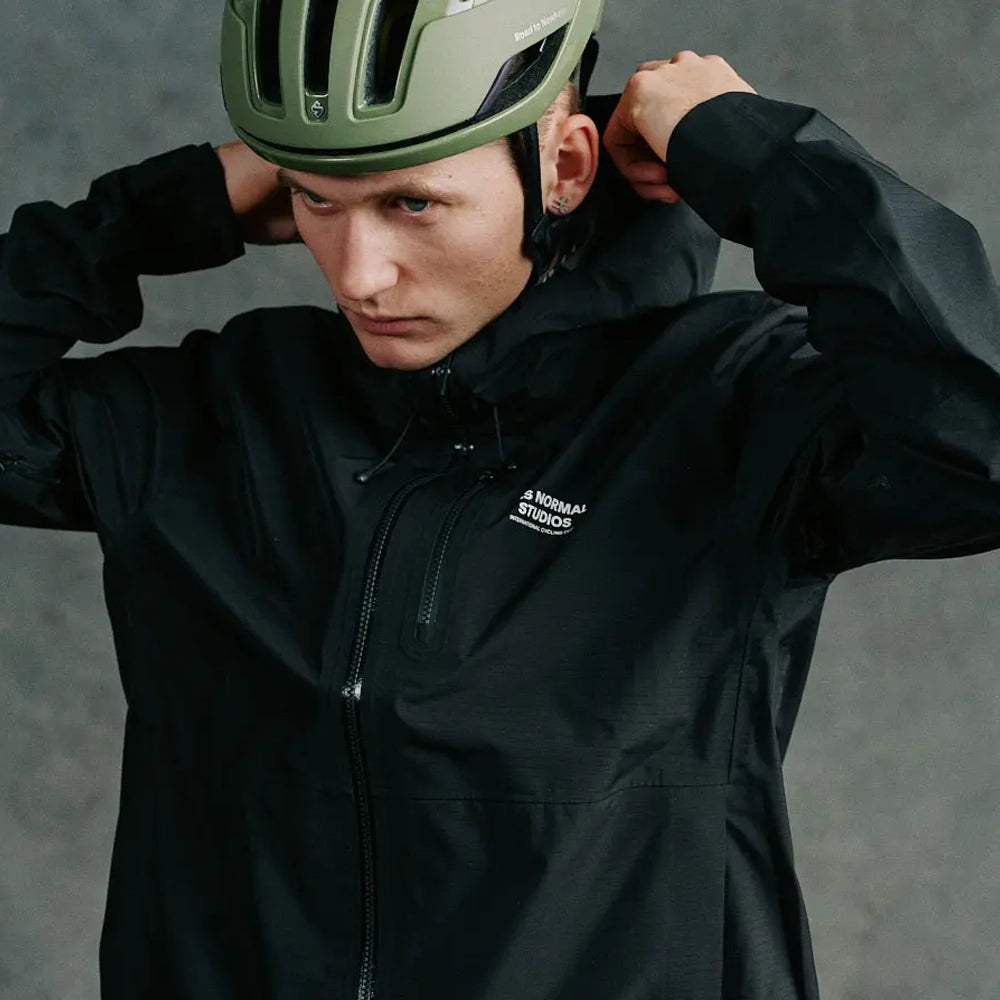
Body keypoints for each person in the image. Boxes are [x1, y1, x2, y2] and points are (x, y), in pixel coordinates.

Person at [1, 0, 998, 997]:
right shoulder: (220, 415)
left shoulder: (724, 406)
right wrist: (161, 210)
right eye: (316, 200)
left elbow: (977, 443)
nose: (359, 275)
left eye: (412, 204)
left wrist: (758, 153)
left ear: (563, 166)